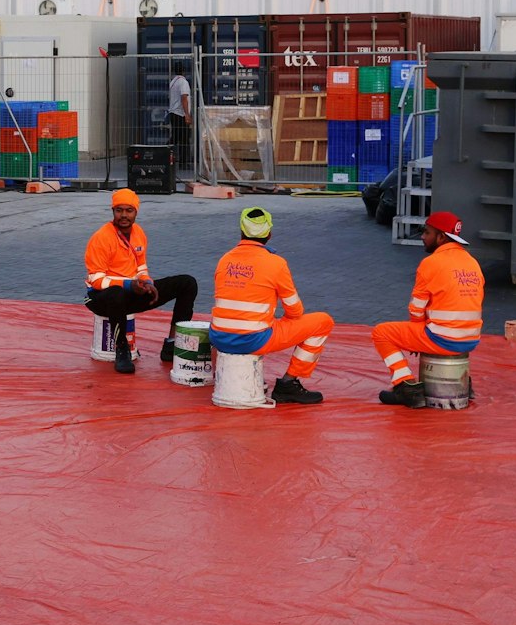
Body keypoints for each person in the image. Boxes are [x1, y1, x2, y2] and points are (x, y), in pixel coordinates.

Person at [209, 206, 334, 405]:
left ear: (241, 231)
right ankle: (288, 383)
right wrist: (280, 321)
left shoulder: (225, 259)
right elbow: (295, 311)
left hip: (218, 337)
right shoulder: (276, 263)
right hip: (254, 339)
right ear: (269, 234)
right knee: (323, 322)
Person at [374, 211, 485, 408]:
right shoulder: (472, 262)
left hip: (442, 339)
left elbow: (416, 309)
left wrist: (416, 338)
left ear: (441, 237)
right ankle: (462, 383)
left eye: (427, 232)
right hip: (471, 339)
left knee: (381, 333)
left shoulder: (431, 263)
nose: (423, 237)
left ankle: (405, 387)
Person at [83, 188, 199, 373]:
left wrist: (148, 283)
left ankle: (172, 344)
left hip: (131, 292)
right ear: (113, 211)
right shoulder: (101, 237)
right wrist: (128, 284)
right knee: (116, 293)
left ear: (136, 212)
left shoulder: (139, 233)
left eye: (129, 210)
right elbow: (96, 280)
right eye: (119, 210)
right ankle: (122, 350)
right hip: (100, 298)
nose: (124, 215)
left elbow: (141, 269)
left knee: (187, 283)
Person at [165, 64, 194, 169]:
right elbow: (184, 98)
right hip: (180, 114)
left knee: (176, 138)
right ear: (183, 71)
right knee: (184, 139)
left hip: (173, 113)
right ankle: (183, 162)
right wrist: (187, 114)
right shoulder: (183, 82)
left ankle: (164, 154)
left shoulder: (173, 82)